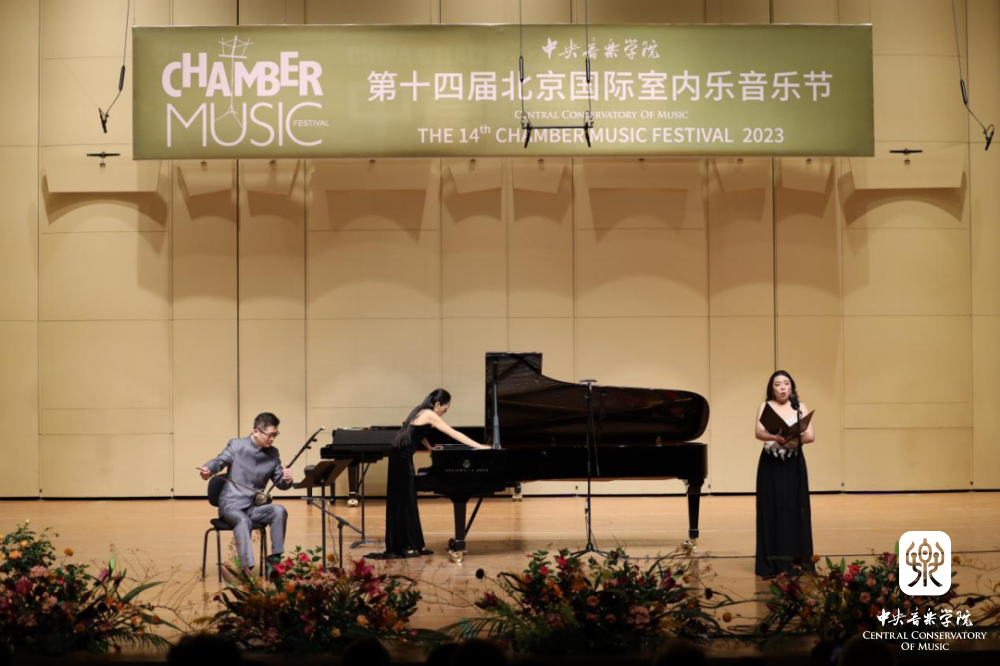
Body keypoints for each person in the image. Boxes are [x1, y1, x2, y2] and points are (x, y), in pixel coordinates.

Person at [382, 389, 488, 558]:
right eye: (445, 408)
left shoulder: (420, 410)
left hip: (398, 455)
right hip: (401, 458)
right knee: (406, 499)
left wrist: (429, 447)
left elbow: (415, 432)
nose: (445, 412)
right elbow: (453, 433)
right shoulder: (430, 414)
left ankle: (409, 543)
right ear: (437, 404)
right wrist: (479, 447)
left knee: (405, 498)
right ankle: (408, 545)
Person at [199, 412, 294, 573]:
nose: (272, 439)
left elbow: (282, 485)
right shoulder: (237, 445)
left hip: (255, 507)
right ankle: (246, 567)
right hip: (232, 506)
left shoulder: (273, 453)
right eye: (270, 435)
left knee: (279, 510)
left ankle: (275, 560)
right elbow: (220, 461)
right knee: (243, 521)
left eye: (275, 434)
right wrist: (208, 469)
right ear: (256, 432)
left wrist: (287, 478)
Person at [754, 370, 815, 578]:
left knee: (794, 509)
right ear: (772, 388)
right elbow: (758, 432)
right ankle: (771, 562)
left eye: (786, 383)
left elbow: (810, 435)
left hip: (793, 463)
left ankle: (796, 561)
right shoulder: (765, 405)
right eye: (778, 384)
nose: (782, 387)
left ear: (792, 387)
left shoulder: (799, 406)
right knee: (770, 508)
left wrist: (792, 439)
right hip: (770, 463)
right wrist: (776, 438)